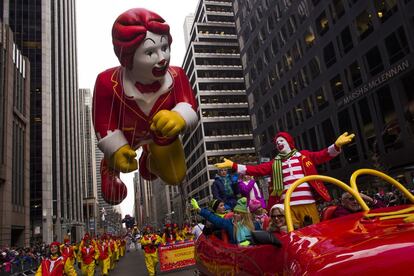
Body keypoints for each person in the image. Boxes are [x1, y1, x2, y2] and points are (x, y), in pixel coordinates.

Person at [93, 8, 198, 205]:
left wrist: (179, 117)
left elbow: (190, 105)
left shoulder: (178, 76)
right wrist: (116, 148)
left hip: (160, 135)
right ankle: (109, 167)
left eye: (164, 48)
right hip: (125, 136)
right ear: (127, 56)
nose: (162, 58)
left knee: (175, 176)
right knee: (112, 192)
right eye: (150, 52)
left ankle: (149, 159)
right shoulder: (107, 83)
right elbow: (102, 122)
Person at [215, 131, 355, 228]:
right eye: (277, 142)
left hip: (307, 203)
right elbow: (256, 170)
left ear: (289, 142)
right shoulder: (275, 163)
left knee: (314, 230)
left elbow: (323, 155)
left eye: (281, 141)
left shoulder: (303, 156)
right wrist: (233, 165)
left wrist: (336, 146)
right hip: (287, 206)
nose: (278, 144)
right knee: (293, 233)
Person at [191, 197, 258, 246]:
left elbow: (260, 240)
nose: (234, 214)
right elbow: (213, 218)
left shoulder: (254, 224)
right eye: (234, 212)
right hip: (237, 252)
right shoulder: (229, 223)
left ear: (244, 215)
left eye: (238, 213)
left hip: (252, 251)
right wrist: (199, 210)